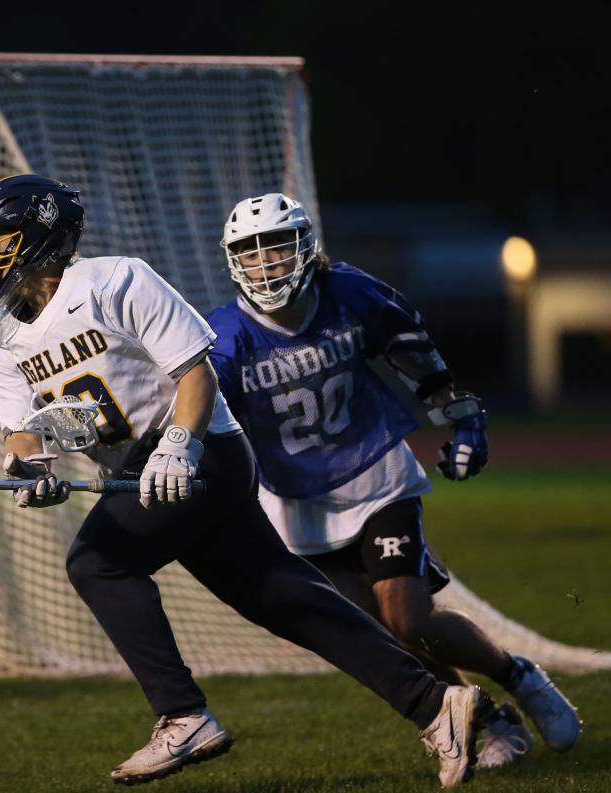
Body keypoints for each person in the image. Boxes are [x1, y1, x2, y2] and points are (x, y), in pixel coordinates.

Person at [0, 174, 490, 788]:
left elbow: (194, 372)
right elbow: (23, 427)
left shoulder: (114, 280)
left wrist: (180, 445)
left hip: (202, 449)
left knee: (98, 563)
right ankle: (433, 704)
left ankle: (182, 716)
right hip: (137, 471)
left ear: (39, 235)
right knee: (289, 601)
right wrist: (29, 467)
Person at [206, 192, 581, 771]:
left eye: (277, 248)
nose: (267, 264)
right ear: (233, 261)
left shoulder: (350, 293)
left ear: (306, 248)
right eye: (251, 253)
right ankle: (489, 717)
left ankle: (520, 676)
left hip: (376, 478)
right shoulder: (225, 334)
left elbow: (420, 358)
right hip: (297, 506)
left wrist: (463, 418)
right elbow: (207, 418)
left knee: (408, 618)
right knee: (383, 639)